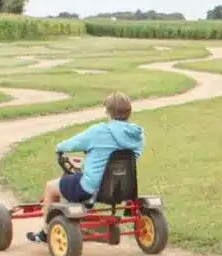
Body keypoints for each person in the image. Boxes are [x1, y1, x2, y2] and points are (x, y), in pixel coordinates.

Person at [27, 92, 145, 243]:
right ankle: (84, 216)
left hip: (91, 187)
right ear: (129, 112)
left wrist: (59, 147)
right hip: (122, 187)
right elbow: (125, 157)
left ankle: (45, 231)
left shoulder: (98, 131)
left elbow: (73, 143)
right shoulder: (137, 135)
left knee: (51, 187)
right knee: (79, 178)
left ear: (108, 112)